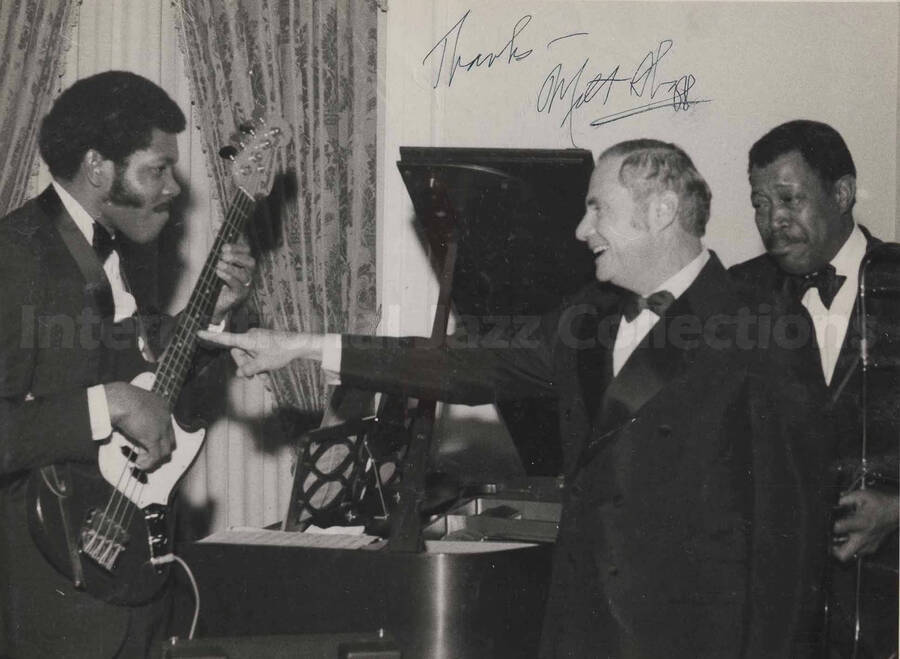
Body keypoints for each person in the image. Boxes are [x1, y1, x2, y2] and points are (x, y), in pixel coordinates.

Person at [200, 139, 831, 657]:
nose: (582, 230)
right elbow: (462, 362)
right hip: (581, 632)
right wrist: (303, 345)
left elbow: (791, 537)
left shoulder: (767, 329)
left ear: (662, 210)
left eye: (597, 209)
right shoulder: (587, 317)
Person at [0, 71, 255, 658]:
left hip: (127, 567)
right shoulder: (16, 255)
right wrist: (108, 402)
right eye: (156, 169)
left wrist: (213, 316)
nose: (172, 188)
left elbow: (149, 381)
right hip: (51, 596)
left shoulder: (120, 248)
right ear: (96, 167)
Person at [730, 119, 899, 658]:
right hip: (773, 612)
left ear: (843, 193)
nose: (772, 219)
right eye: (759, 203)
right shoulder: (735, 294)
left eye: (789, 198)